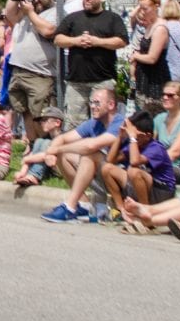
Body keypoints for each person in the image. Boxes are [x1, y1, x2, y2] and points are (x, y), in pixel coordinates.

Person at [38, 87, 126, 224]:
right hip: (105, 175)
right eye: (91, 102)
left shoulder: (120, 123)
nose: (92, 106)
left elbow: (91, 145)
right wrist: (52, 150)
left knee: (89, 154)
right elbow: (63, 138)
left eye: (97, 103)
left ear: (111, 105)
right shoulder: (94, 123)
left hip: (122, 180)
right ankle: (84, 205)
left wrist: (56, 150)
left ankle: (70, 207)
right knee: (65, 155)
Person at [7, 0, 61, 136]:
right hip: (19, 70)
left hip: (40, 74)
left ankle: (47, 147)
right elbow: (9, 14)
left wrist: (30, 12)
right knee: (25, 112)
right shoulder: (26, 11)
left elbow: (48, 31)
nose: (36, 0)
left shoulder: (56, 11)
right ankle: (33, 145)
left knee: (41, 115)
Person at [123, 0, 165, 105]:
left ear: (156, 7)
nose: (143, 12)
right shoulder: (148, 26)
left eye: (145, 8)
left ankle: (132, 86)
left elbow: (152, 58)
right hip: (142, 76)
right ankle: (132, 89)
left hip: (155, 81)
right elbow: (132, 15)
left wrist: (136, 56)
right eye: (141, 8)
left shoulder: (160, 27)